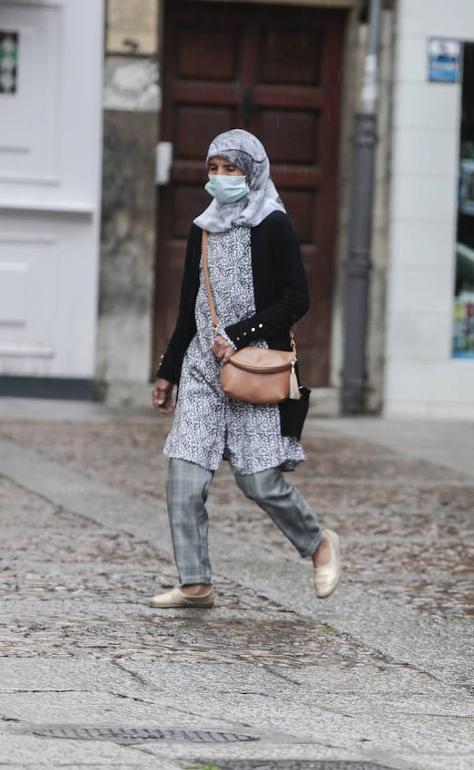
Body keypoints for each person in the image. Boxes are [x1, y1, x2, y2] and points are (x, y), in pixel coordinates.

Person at [149, 129, 340, 608]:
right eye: (213, 169)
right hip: (201, 373)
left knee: (259, 481)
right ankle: (195, 583)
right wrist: (168, 370)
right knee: (184, 478)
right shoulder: (204, 226)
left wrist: (238, 334)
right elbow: (189, 306)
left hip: (253, 371)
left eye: (231, 169)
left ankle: (319, 544)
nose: (220, 178)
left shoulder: (273, 224)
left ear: (252, 172)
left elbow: (297, 298)